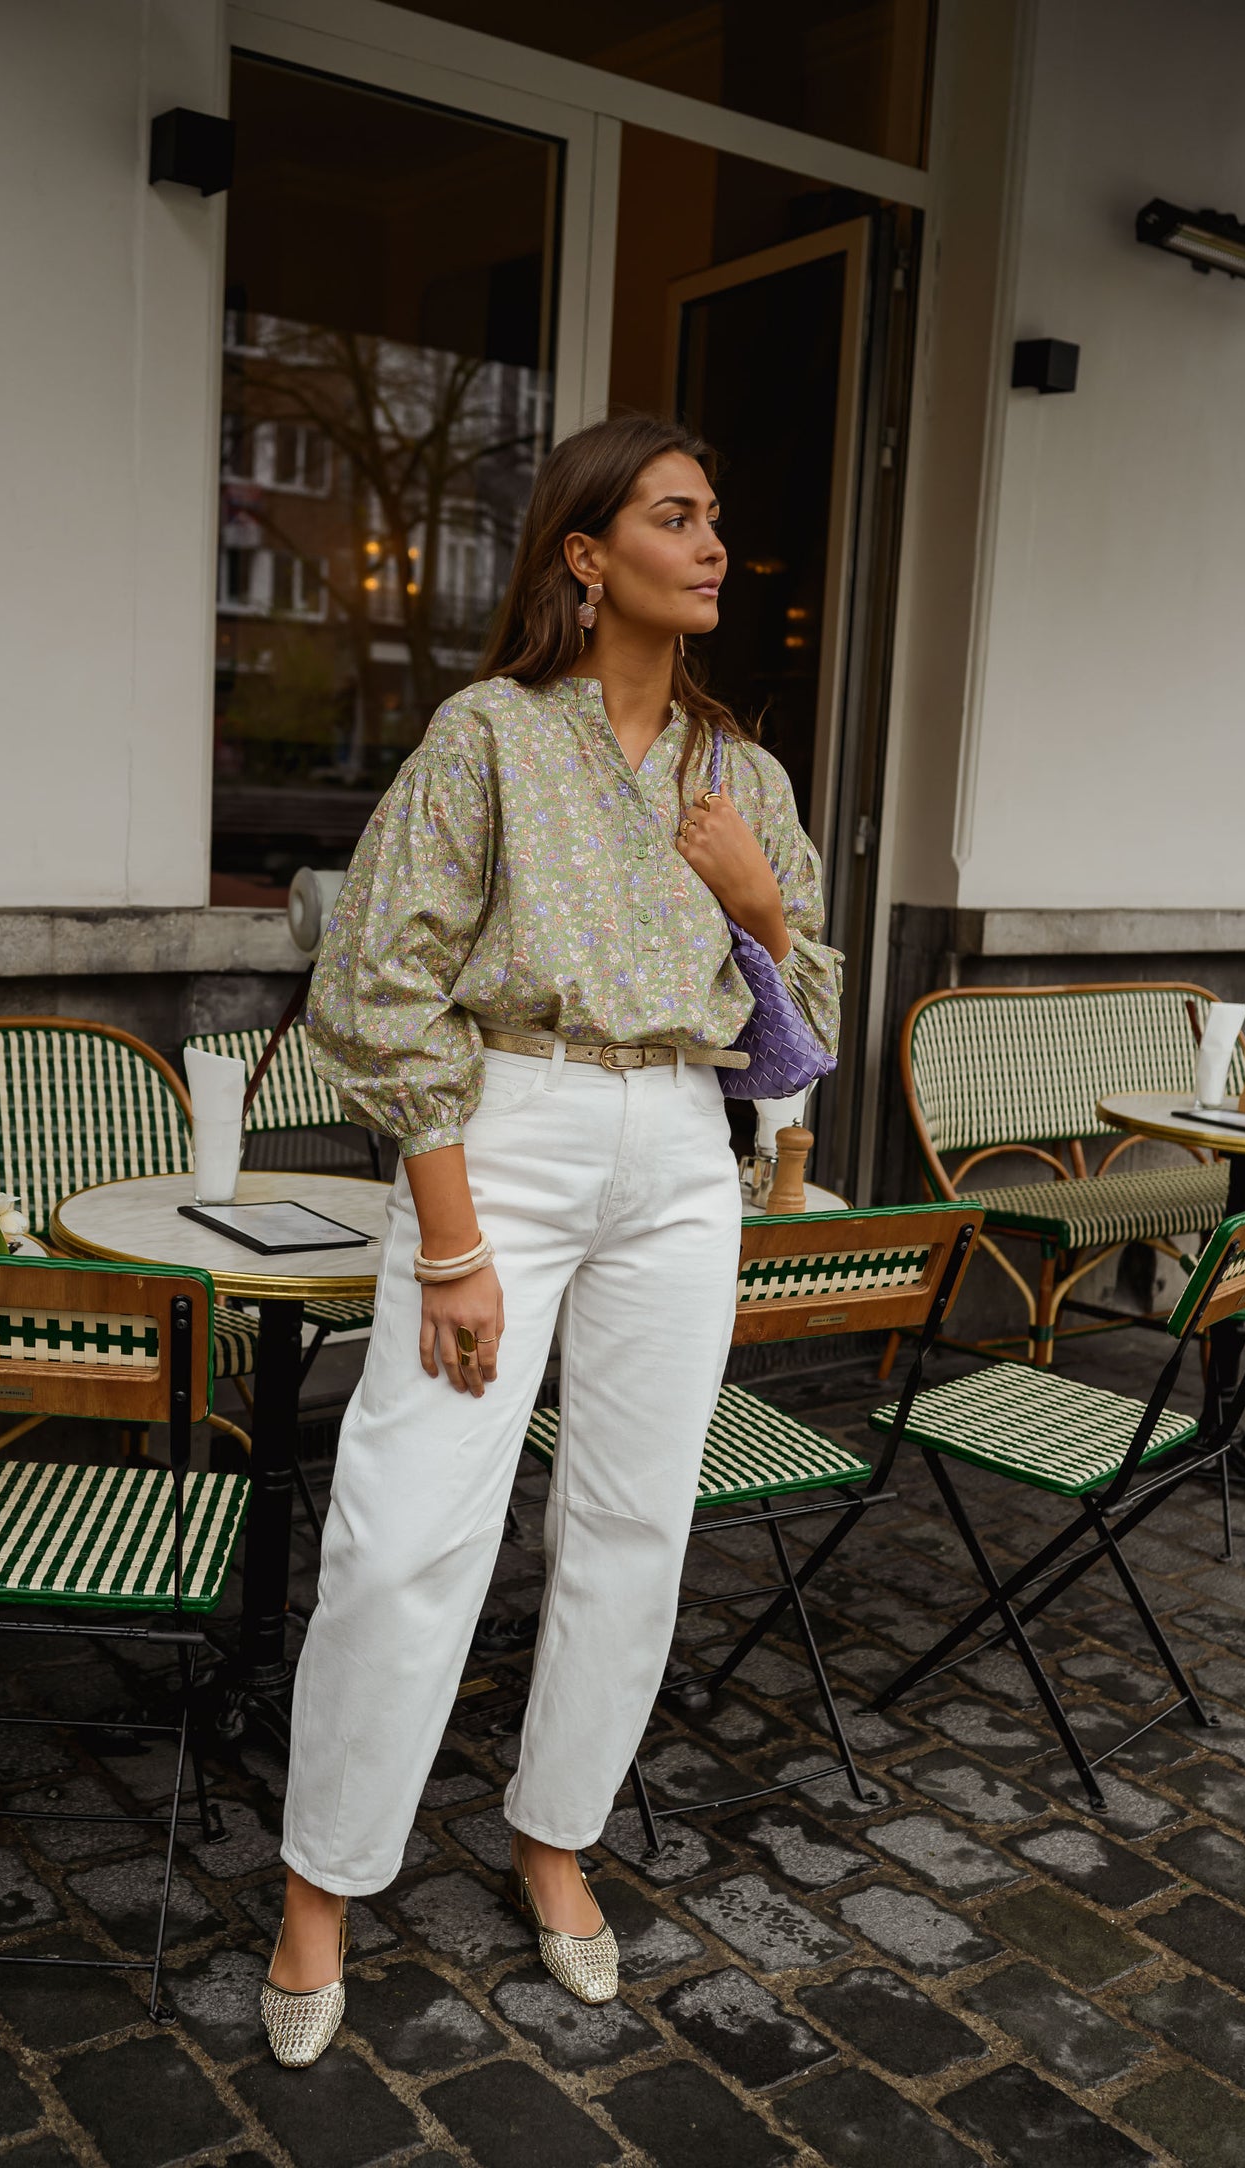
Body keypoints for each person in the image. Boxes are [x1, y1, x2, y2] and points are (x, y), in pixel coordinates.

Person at [260, 412, 841, 2064]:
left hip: (680, 1148)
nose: (714, 541)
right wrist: (448, 1242)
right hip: (499, 1134)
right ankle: (324, 1880)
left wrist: (757, 904)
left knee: (634, 1522)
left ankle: (553, 1832)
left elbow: (804, 1022)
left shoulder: (745, 775)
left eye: (717, 514)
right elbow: (373, 985)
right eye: (676, 514)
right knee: (406, 1524)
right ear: (587, 560)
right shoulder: (489, 735)